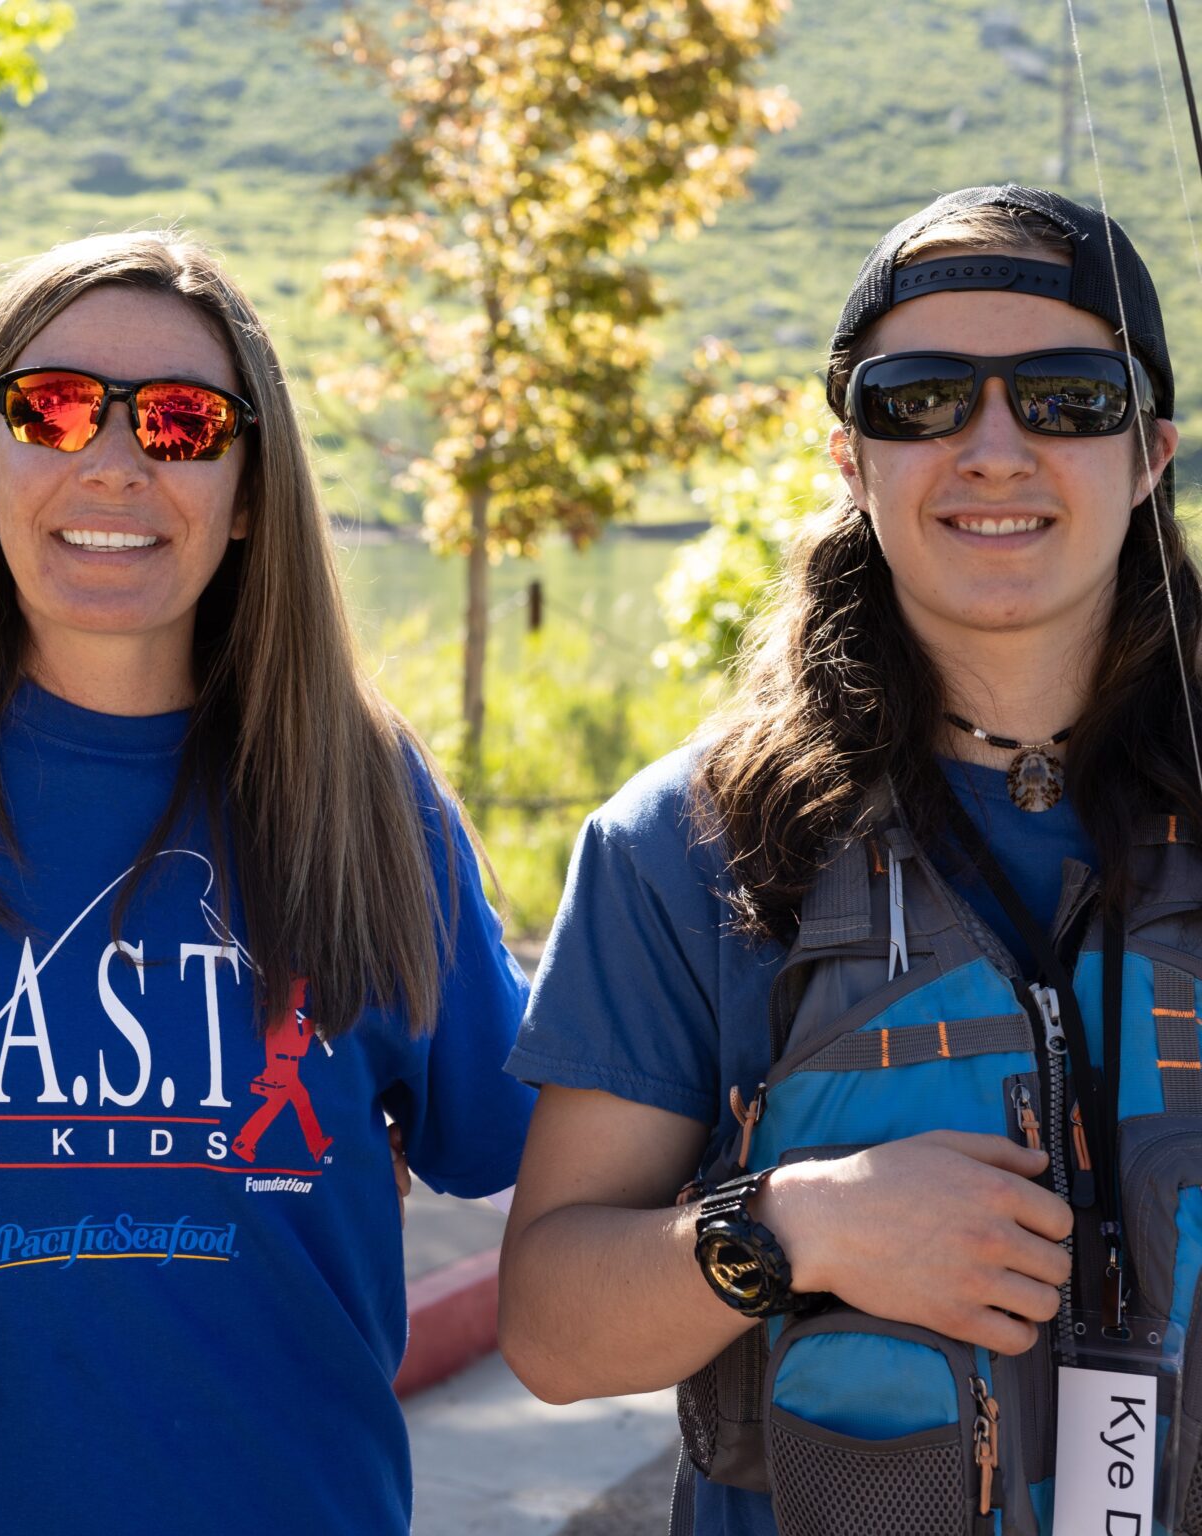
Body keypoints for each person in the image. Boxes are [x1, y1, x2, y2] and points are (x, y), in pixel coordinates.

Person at [0, 230, 535, 1534]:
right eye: (50, 410)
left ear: (249, 487)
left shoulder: (358, 784)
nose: (109, 462)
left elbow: (515, 1137)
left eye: (179, 422)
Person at [500, 183, 1202, 1534]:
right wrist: (791, 1229)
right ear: (849, 459)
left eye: (1067, 397)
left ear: (1153, 451)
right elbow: (549, 1327)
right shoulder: (685, 847)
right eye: (921, 399)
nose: (994, 448)